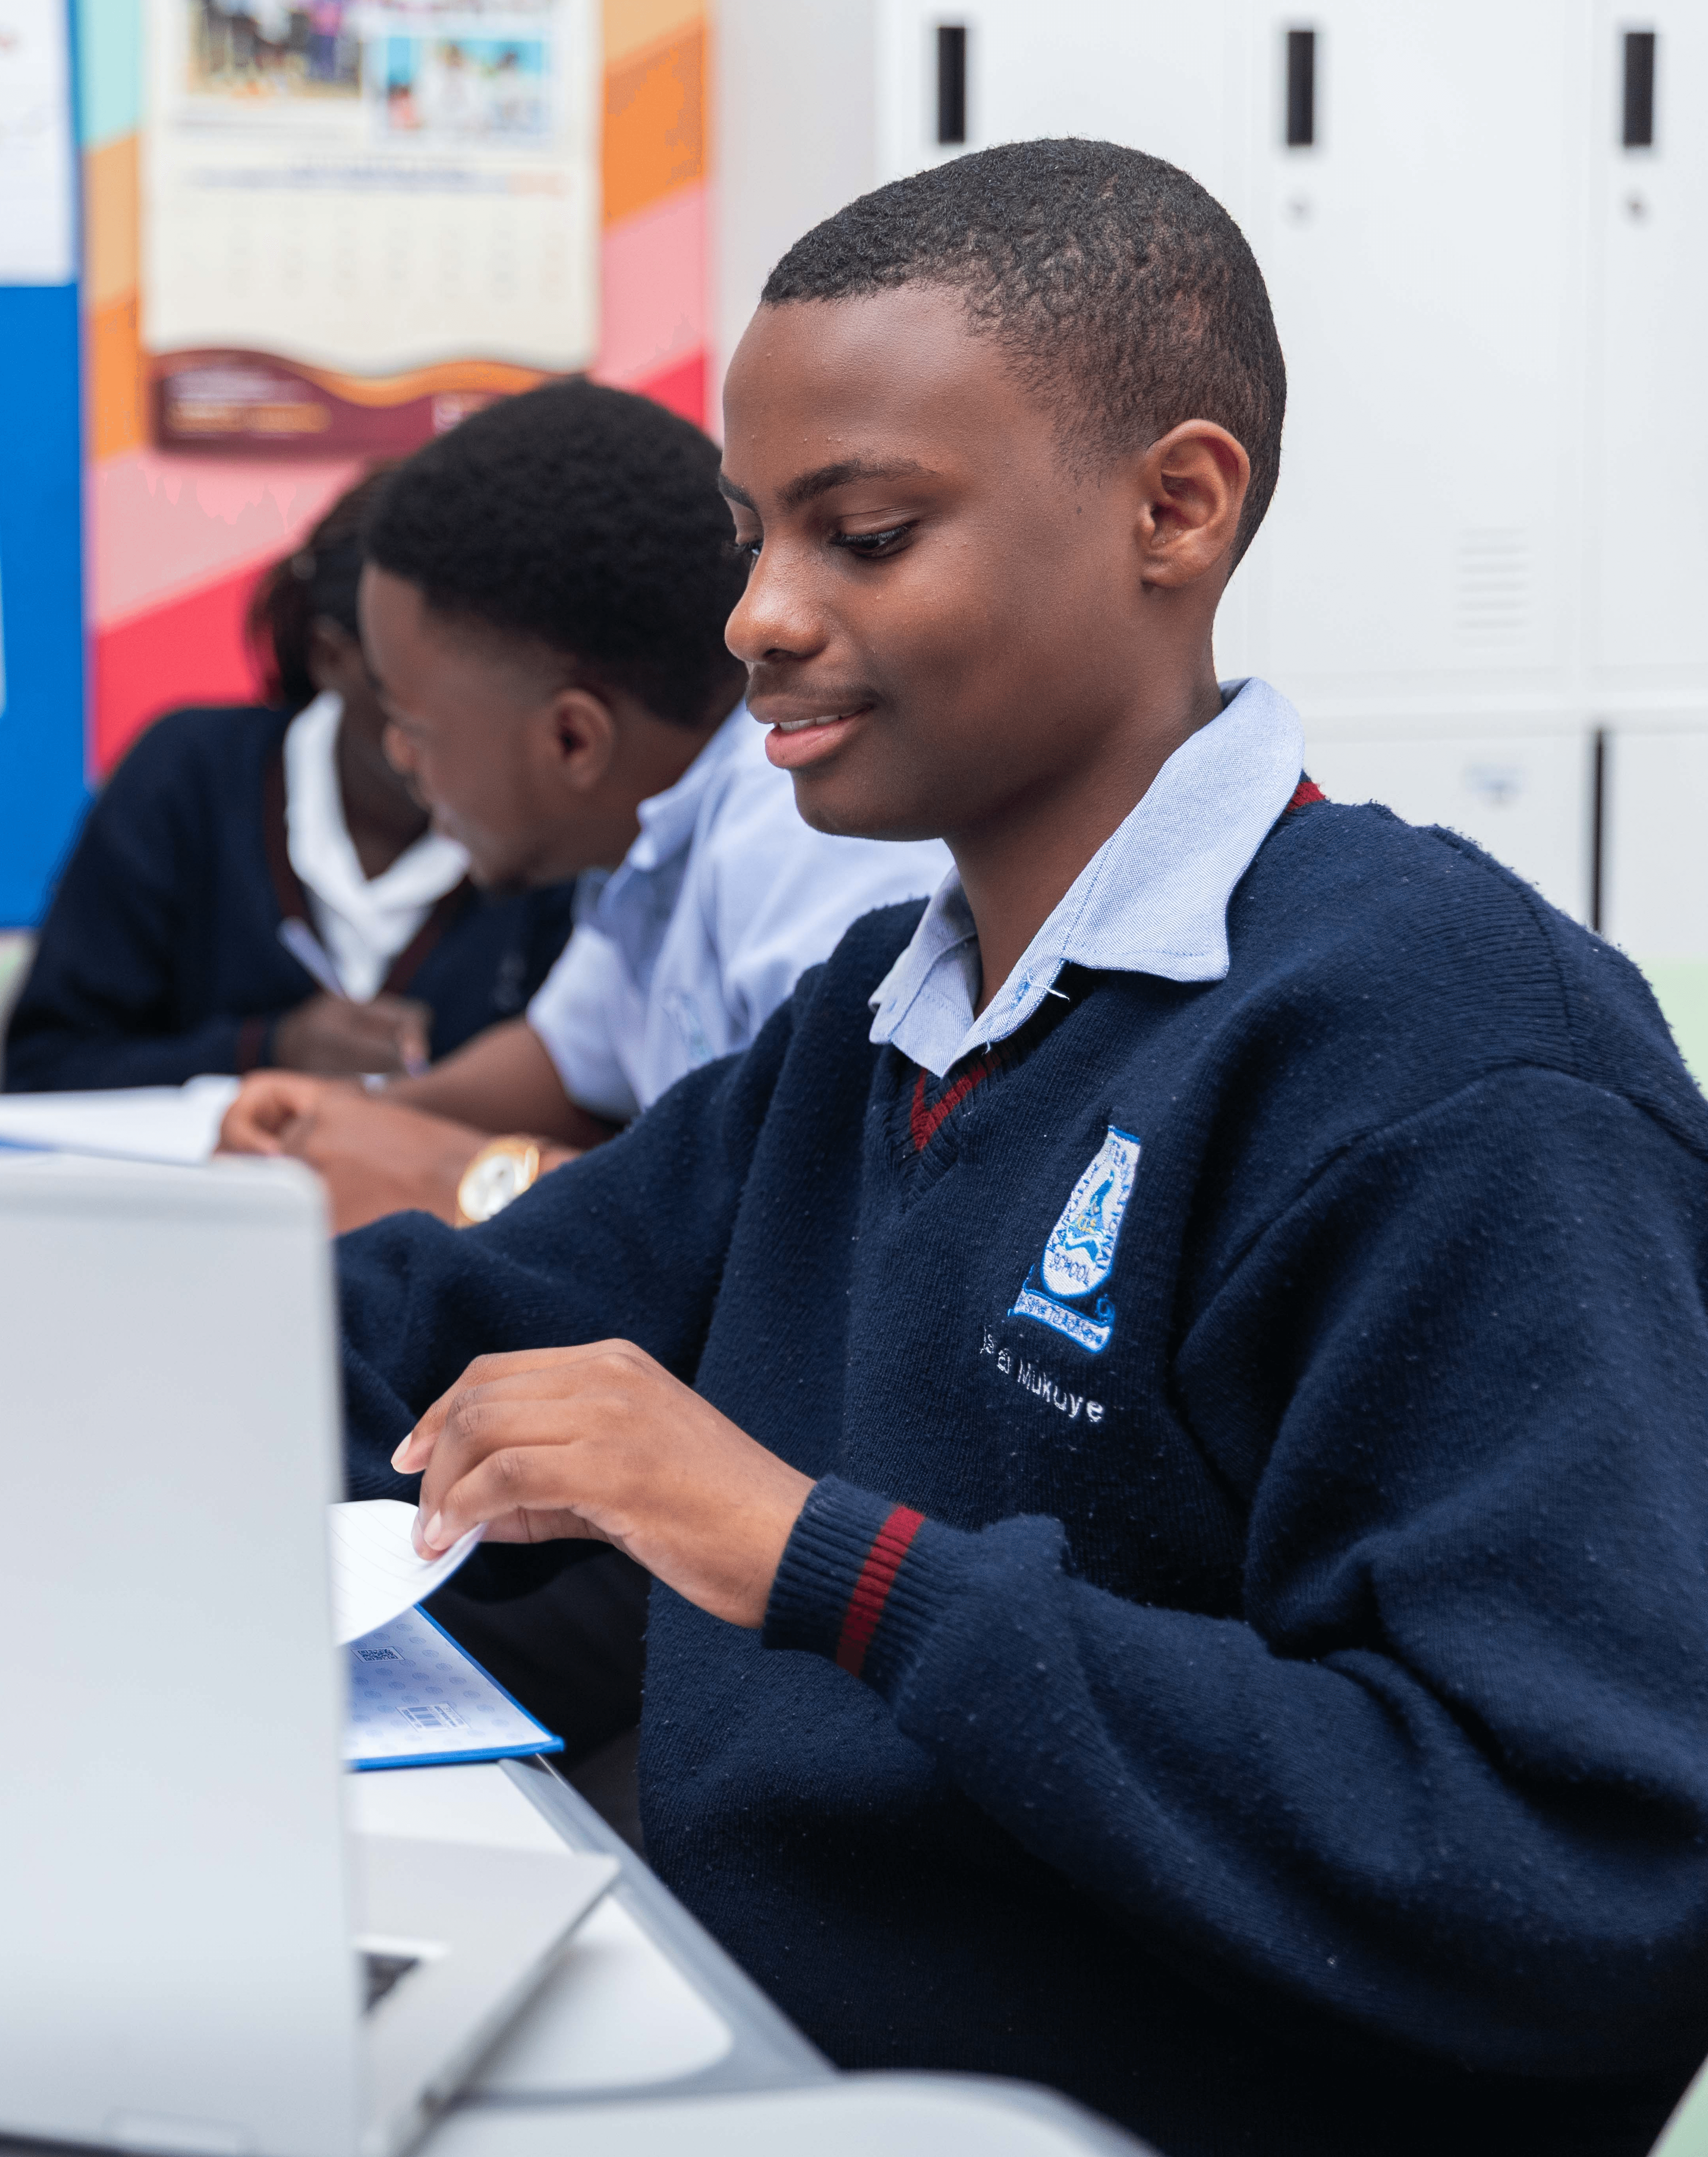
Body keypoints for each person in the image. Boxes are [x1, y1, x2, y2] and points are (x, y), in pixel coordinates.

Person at [332, 141, 1708, 2157]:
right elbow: (437, 1318)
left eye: (864, 534)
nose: (757, 617)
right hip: (772, 2051)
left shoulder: (1449, 1060)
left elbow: (1573, 1882)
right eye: (748, 538)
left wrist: (822, 1560)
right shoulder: (898, 1009)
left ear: (1174, 505)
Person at [219, 379, 949, 1233]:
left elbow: (810, 1232)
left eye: (414, 726)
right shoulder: (649, 845)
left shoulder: (804, 839)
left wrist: (456, 1174)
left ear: (573, 740)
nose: (398, 756)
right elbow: (565, 1063)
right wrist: (338, 1118)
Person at [4, 473, 577, 1092]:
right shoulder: (187, 776)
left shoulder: (559, 825)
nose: (474, 714)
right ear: (332, 658)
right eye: (433, 680)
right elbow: (43, 1068)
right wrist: (266, 1049)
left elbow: (597, 1089)